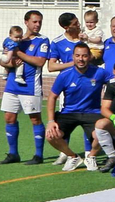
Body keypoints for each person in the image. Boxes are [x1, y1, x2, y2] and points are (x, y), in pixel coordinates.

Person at [45, 43, 110, 172]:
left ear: (90, 57)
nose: (81, 59)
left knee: (101, 134)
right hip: (69, 112)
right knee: (51, 135)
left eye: (84, 56)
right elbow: (52, 97)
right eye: (78, 56)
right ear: (73, 57)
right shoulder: (64, 75)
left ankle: (91, 157)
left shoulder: (100, 73)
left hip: (93, 112)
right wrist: (51, 121)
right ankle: (72, 157)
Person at [0, 9, 51, 164]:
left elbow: (40, 62)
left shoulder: (43, 41)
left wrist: (18, 54)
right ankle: (13, 153)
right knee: (9, 117)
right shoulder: (16, 39)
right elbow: (2, 60)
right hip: (12, 85)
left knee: (35, 119)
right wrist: (9, 62)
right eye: (34, 21)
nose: (37, 25)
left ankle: (38, 155)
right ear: (26, 22)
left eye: (40, 22)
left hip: (30, 86)